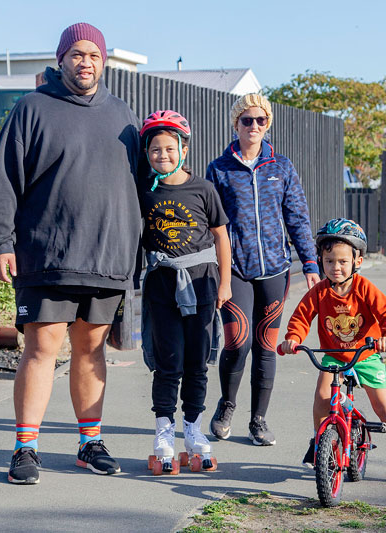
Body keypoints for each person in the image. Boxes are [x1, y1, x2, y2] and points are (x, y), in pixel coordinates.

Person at [0, 22, 142, 484]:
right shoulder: (32, 109)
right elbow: (5, 179)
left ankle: (89, 443)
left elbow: (139, 188)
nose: (85, 61)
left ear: (104, 61)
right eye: (76, 54)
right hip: (47, 252)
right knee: (41, 348)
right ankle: (25, 449)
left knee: (90, 351)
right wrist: (1, 241)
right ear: (61, 59)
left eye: (93, 54)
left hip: (107, 256)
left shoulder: (123, 115)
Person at [206, 93, 321, 446]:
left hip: (275, 269)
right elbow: (210, 222)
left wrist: (311, 263)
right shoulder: (219, 168)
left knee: (265, 345)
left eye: (261, 120)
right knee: (238, 342)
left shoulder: (281, 166)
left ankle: (258, 420)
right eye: (246, 120)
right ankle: (227, 405)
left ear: (268, 124)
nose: (254, 126)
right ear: (235, 124)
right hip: (236, 270)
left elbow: (298, 217)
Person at [278, 218, 386, 483]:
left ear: (357, 261)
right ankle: (321, 443)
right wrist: (292, 338)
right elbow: (301, 318)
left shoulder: (365, 289)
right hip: (333, 354)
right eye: (329, 262)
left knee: (383, 407)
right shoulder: (318, 292)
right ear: (321, 261)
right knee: (320, 397)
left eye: (342, 261)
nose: (336, 267)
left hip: (366, 354)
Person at [138, 110, 231, 473]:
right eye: (155, 150)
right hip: (162, 286)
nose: (163, 156)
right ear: (147, 153)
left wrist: (224, 282)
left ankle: (192, 428)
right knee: (168, 361)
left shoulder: (203, 189)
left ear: (184, 149)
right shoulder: (145, 192)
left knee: (196, 361)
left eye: (170, 148)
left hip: (202, 284)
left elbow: (221, 235)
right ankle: (164, 429)